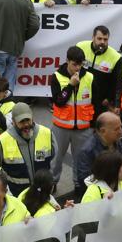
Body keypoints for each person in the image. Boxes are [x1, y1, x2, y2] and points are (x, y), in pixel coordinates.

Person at [48, 46, 94, 187]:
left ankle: (79, 185)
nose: (77, 68)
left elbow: (96, 102)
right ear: (67, 61)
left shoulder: (90, 77)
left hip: (83, 128)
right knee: (55, 158)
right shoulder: (56, 77)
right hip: (61, 127)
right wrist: (70, 86)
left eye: (80, 64)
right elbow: (59, 102)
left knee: (81, 160)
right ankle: (52, 183)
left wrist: (94, 126)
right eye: (74, 64)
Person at [0, 102, 53, 198]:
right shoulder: (2, 141)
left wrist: (52, 183)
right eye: (21, 122)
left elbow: (55, 161)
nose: (26, 124)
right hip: (17, 197)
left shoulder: (47, 134)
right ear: (13, 122)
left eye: (28, 120)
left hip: (42, 193)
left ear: (32, 118)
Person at [73, 112, 122, 200]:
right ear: (103, 131)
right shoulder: (87, 151)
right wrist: (114, 174)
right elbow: (84, 180)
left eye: (121, 127)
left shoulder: (121, 140)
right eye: (117, 129)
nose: (121, 131)